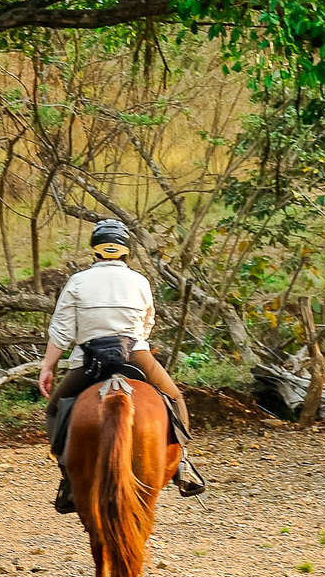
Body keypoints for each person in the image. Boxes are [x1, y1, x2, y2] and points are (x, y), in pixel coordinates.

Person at [37, 218, 206, 513]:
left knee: (55, 409)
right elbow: (147, 324)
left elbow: (62, 331)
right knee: (176, 398)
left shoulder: (77, 281)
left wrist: (47, 367)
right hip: (134, 354)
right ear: (126, 252)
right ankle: (183, 464)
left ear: (96, 251)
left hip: (87, 360)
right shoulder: (140, 281)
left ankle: (68, 476)